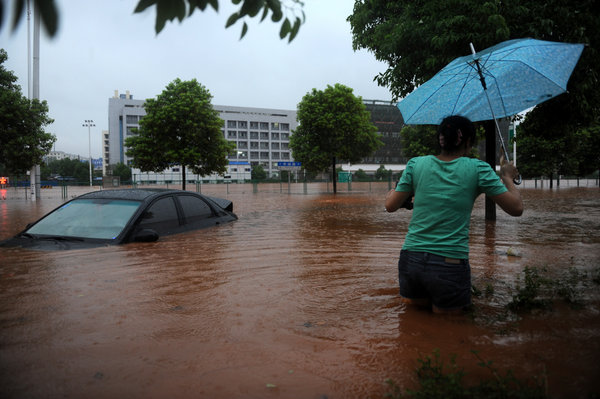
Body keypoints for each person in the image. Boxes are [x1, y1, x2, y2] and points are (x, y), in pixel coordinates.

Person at [385, 115, 523, 313]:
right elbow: (516, 208)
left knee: (412, 326)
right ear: (468, 142)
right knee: (450, 330)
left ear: (440, 139)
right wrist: (508, 177)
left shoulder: (416, 165)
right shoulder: (478, 169)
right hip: (449, 264)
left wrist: (392, 193)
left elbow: (390, 206)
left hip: (411, 260)